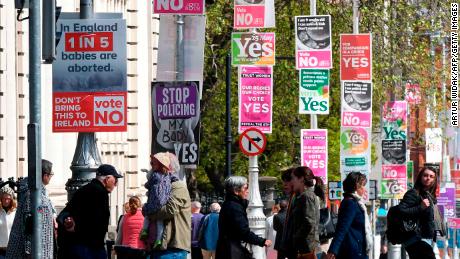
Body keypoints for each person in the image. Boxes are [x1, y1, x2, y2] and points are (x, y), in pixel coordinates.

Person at [57, 164, 123, 259]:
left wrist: (68, 223)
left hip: (74, 247)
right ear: (107, 179)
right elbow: (97, 222)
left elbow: (64, 214)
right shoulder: (101, 193)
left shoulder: (83, 190)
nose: (116, 184)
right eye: (115, 180)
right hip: (90, 248)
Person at [6, 159, 55, 259]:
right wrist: (29, 252)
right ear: (45, 175)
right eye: (51, 174)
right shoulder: (31, 195)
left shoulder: (39, 193)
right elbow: (27, 224)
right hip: (29, 254)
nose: (51, 177)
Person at [147, 153, 191, 259]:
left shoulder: (178, 186)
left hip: (172, 247)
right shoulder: (156, 186)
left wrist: (150, 213)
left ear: (167, 167)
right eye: (152, 164)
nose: (153, 168)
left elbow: (170, 210)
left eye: (156, 165)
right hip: (157, 246)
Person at [216, 176, 272, 259]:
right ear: (236, 191)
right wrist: (262, 241)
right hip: (231, 252)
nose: (248, 191)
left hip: (228, 250)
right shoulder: (234, 207)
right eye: (245, 188)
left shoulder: (231, 204)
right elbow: (243, 231)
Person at [398, 167, 444, 259]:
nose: (428, 178)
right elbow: (401, 210)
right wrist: (420, 207)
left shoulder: (429, 196)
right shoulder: (413, 193)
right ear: (420, 177)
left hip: (425, 238)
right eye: (425, 175)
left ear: (435, 180)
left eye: (431, 176)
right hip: (415, 238)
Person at [327, 172, 372, 259]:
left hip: (357, 250)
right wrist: (333, 250)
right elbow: (342, 228)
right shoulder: (350, 203)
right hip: (353, 252)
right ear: (356, 186)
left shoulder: (355, 203)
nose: (365, 189)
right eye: (363, 186)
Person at [140, 152, 178, 248]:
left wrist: (146, 185)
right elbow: (175, 179)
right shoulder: (169, 175)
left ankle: (144, 230)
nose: (151, 166)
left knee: (148, 216)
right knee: (159, 221)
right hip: (163, 202)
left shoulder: (155, 175)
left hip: (154, 201)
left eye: (153, 164)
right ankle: (159, 240)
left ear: (160, 164)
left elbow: (149, 184)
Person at [290, 166, 320, 258]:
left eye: (293, 178)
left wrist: (296, 237)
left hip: (308, 249)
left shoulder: (306, 196)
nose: (291, 182)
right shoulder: (304, 196)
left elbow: (309, 222)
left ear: (301, 179)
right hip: (306, 248)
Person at [279, 168, 296, 259]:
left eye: (288, 180)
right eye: (284, 181)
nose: (285, 184)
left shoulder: (298, 197)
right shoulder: (292, 197)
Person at [0, 187, 16, 259]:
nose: (6, 201)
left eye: (8, 199)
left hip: (13, 250)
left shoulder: (15, 212)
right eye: (4, 198)